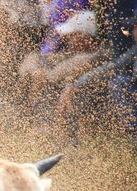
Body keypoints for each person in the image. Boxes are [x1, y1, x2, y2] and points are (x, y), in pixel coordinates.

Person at [57, 2, 137, 138]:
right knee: (87, 86)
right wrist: (76, 85)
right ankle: (75, 137)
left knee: (119, 83)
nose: (134, 31)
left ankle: (132, 137)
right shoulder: (133, 51)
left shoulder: (99, 53)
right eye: (134, 27)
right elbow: (115, 66)